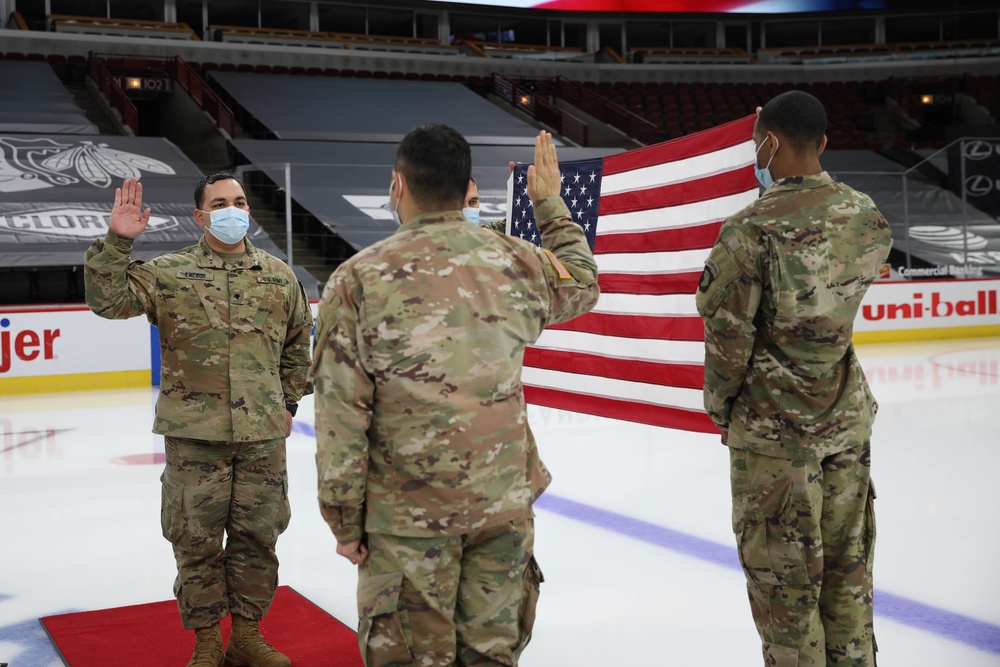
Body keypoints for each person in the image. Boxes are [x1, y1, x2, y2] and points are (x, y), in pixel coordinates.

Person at [311, 125, 599, 667]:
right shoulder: (518, 261)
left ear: (398, 185)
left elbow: (340, 415)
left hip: (407, 521)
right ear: (467, 187)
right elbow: (582, 279)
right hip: (501, 508)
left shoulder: (357, 280)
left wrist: (344, 521)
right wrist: (550, 203)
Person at [695, 90, 892, 667]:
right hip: (846, 425)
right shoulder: (866, 215)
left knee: (787, 595)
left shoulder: (749, 230)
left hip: (774, 438)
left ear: (768, 143)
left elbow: (728, 344)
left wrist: (721, 410)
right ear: (824, 143)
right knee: (848, 575)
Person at [84, 173, 313, 667]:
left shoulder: (279, 275)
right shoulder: (170, 273)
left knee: (259, 537)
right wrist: (118, 242)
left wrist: (288, 403)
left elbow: (299, 346)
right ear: (201, 216)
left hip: (261, 437)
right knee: (195, 540)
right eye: (220, 203)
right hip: (195, 437)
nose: (233, 210)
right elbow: (109, 302)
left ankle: (247, 636)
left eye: (240, 201)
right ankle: (208, 641)